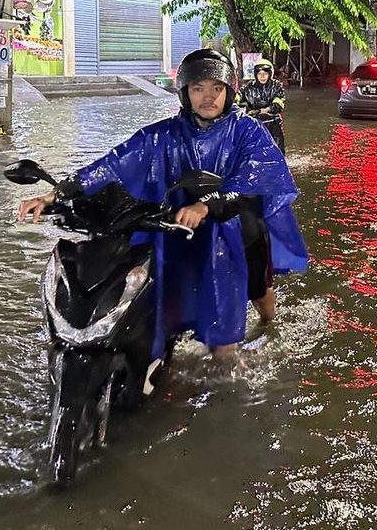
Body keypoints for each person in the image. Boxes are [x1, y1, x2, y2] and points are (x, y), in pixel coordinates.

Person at [18, 49, 307, 359]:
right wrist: (58, 192)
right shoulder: (164, 135)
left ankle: (264, 327)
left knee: (254, 297)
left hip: (237, 228)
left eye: (216, 88)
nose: (207, 97)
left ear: (229, 92)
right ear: (185, 93)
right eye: (198, 89)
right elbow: (115, 163)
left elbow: (256, 177)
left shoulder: (248, 130)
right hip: (178, 228)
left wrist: (207, 205)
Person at [236, 58, 286, 153]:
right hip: (254, 125)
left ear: (270, 74)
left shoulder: (276, 86)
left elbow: (278, 105)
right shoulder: (248, 87)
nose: (262, 77)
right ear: (255, 74)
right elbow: (236, 98)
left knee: (277, 153)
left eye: (265, 74)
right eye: (259, 74)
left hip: (273, 125)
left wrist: (260, 111)